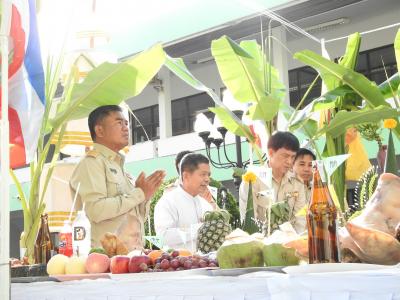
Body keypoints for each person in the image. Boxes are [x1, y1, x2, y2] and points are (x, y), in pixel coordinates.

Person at [70, 105, 165, 250]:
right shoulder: (91, 163)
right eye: (119, 123)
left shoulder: (121, 169)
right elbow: (96, 210)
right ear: (99, 130)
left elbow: (136, 219)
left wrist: (145, 197)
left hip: (132, 257)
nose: (126, 128)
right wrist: (139, 194)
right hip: (105, 261)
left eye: (126, 123)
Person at [239, 131, 307, 233]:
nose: (289, 161)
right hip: (261, 243)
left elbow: (300, 220)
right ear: (271, 153)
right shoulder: (252, 180)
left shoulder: (297, 182)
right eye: (285, 156)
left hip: (290, 242)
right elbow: (249, 220)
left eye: (293, 157)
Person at [154, 153, 213, 250]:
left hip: (208, 263)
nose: (207, 179)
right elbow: (162, 237)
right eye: (203, 174)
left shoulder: (206, 205)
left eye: (208, 175)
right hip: (178, 263)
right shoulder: (167, 202)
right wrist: (200, 229)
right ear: (186, 176)